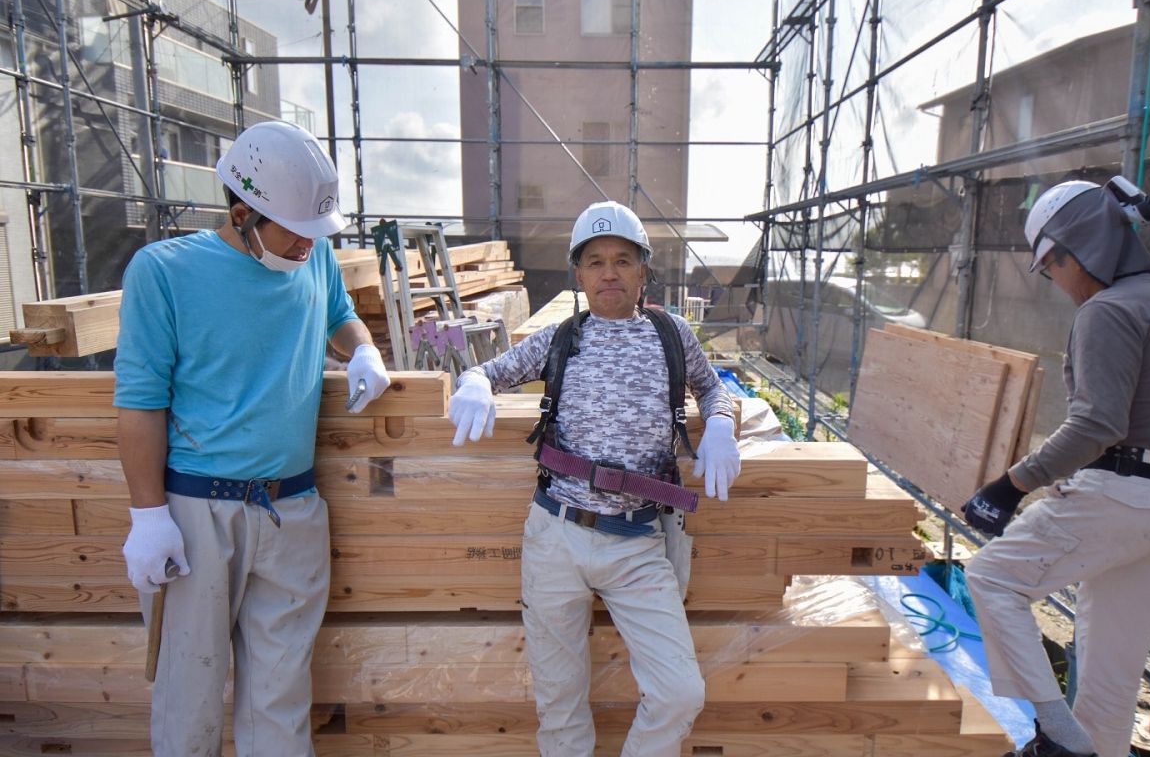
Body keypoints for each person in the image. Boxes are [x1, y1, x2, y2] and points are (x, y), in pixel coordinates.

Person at [115, 120, 391, 756]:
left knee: (279, 703)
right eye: (293, 231)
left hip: (291, 509)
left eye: (314, 235)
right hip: (196, 513)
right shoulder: (163, 272)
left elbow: (338, 314)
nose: (305, 247)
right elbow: (139, 403)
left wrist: (364, 351)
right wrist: (147, 516)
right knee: (188, 700)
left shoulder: (312, 254)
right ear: (242, 211)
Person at [447, 200, 741, 756]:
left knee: (679, 692)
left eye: (624, 260)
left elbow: (713, 388)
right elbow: (487, 371)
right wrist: (475, 384)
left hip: (640, 544)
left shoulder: (672, 335)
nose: (610, 271)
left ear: (643, 272)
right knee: (559, 706)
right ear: (579, 275)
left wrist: (721, 425)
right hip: (556, 535)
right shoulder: (559, 338)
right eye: (597, 261)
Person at [961, 177, 1150, 757]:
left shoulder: (1108, 310)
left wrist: (1010, 484)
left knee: (992, 578)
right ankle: (1081, 739)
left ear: (1077, 249)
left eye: (1051, 267)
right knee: (1108, 689)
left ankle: (1057, 739)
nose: (1056, 283)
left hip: (1122, 494)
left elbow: (1097, 426)